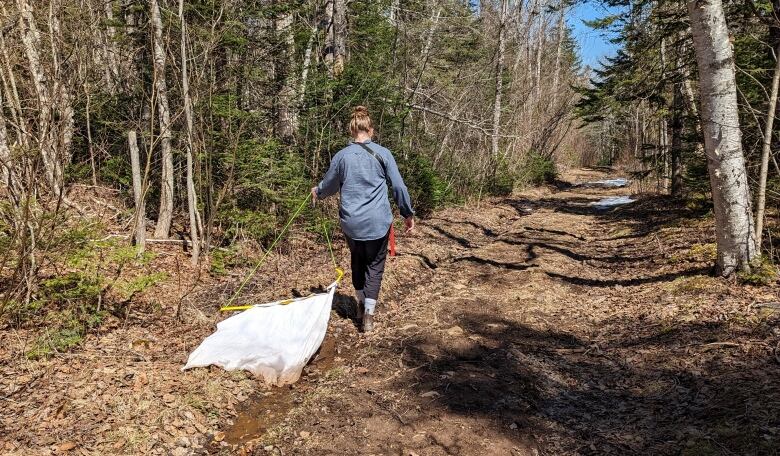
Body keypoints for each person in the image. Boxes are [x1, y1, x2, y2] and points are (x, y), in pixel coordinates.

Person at [311, 106, 415, 332]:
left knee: (357, 261)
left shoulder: (341, 156)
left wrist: (317, 192)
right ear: (371, 130)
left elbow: (329, 185)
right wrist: (407, 213)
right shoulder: (384, 154)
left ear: (352, 131)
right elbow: (398, 186)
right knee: (375, 266)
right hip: (378, 222)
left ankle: (360, 302)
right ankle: (368, 314)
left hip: (352, 223)